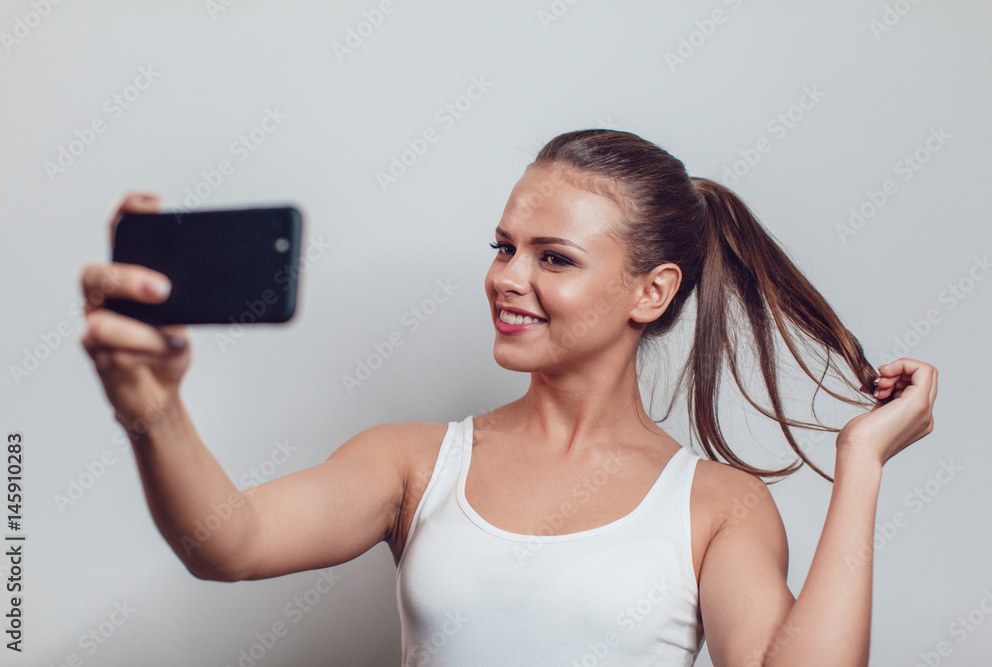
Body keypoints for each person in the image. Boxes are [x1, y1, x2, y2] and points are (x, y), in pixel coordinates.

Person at [80, 129, 938, 666]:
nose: (507, 278)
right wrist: (150, 409)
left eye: (553, 257)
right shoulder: (414, 461)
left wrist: (859, 464)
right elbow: (226, 542)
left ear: (652, 290)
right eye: (503, 246)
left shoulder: (718, 503)